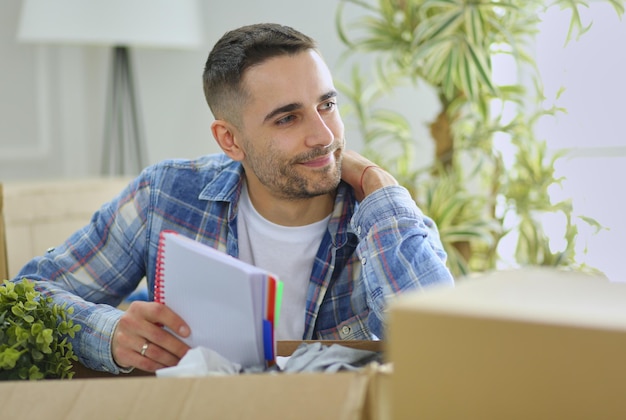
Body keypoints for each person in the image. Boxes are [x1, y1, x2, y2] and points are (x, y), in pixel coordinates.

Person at [13, 23, 454, 374]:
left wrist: (379, 186)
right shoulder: (165, 196)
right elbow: (26, 296)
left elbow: (442, 344)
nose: (324, 136)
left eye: (327, 105)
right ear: (230, 140)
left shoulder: (379, 215)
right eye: (287, 118)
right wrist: (108, 333)